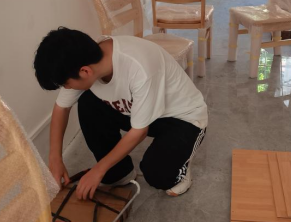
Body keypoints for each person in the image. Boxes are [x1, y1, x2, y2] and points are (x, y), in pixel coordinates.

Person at [33, 27, 208, 200]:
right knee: (88, 102)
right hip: (139, 111)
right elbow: (61, 108)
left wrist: (98, 170)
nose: (67, 88)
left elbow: (139, 132)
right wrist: (55, 158)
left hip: (181, 117)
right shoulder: (83, 59)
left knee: (158, 176)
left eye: (66, 84)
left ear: (85, 71)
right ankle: (119, 173)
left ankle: (181, 169)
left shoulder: (139, 68)